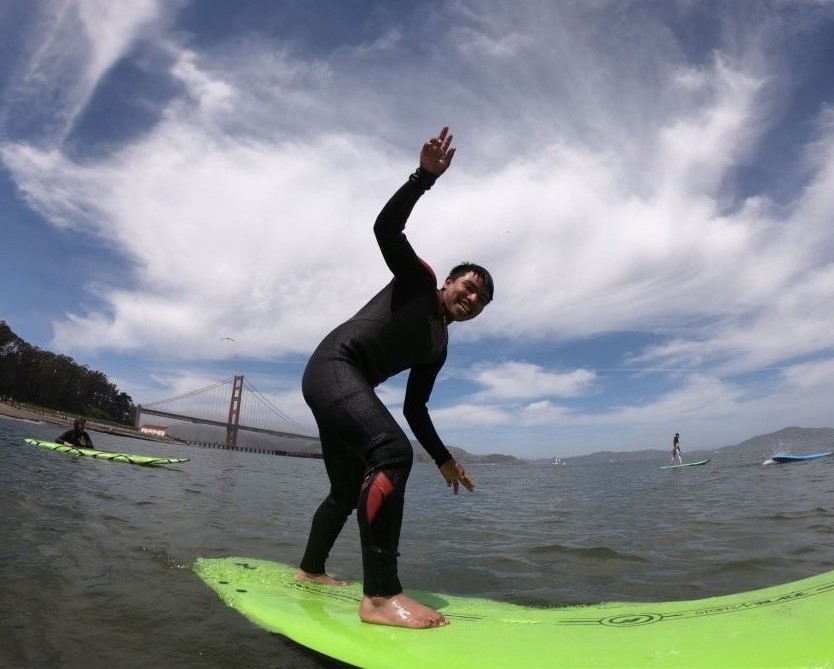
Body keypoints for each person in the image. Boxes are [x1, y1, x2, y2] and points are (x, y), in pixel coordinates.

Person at [295, 127, 494, 630]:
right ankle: (381, 597)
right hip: (334, 366)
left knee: (345, 490)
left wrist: (446, 460)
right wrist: (423, 178)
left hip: (342, 385)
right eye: (467, 287)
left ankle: (309, 573)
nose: (470, 300)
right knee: (391, 452)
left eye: (479, 301)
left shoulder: (438, 346)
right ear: (449, 281)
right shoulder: (418, 282)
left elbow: (414, 409)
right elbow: (386, 229)